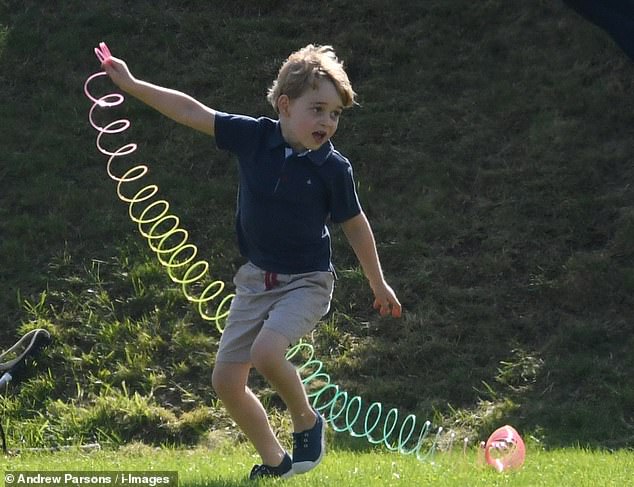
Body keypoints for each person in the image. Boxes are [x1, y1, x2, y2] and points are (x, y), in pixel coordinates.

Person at [102, 44, 402, 480]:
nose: (328, 122)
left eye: (335, 114)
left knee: (266, 352)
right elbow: (191, 111)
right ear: (284, 104)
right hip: (256, 280)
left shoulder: (333, 169)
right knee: (225, 381)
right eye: (318, 109)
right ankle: (276, 461)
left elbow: (355, 225)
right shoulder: (253, 137)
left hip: (307, 281)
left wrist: (378, 283)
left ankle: (306, 420)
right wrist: (130, 84)